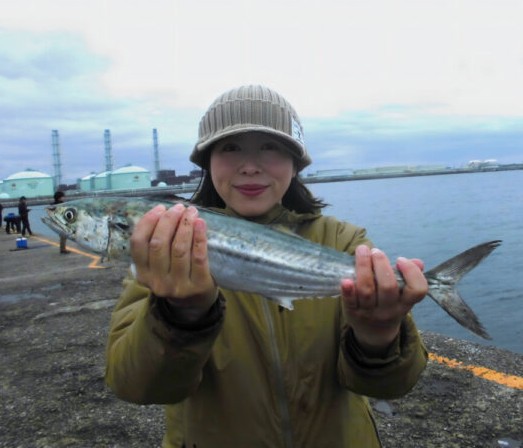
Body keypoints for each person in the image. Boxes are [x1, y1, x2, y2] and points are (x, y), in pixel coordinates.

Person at [105, 85, 429, 447]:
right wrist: (179, 318)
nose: (249, 166)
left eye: (270, 147)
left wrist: (379, 336)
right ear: (207, 162)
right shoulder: (166, 248)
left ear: (296, 162)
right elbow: (136, 385)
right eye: (230, 148)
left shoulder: (343, 241)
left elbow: (389, 386)